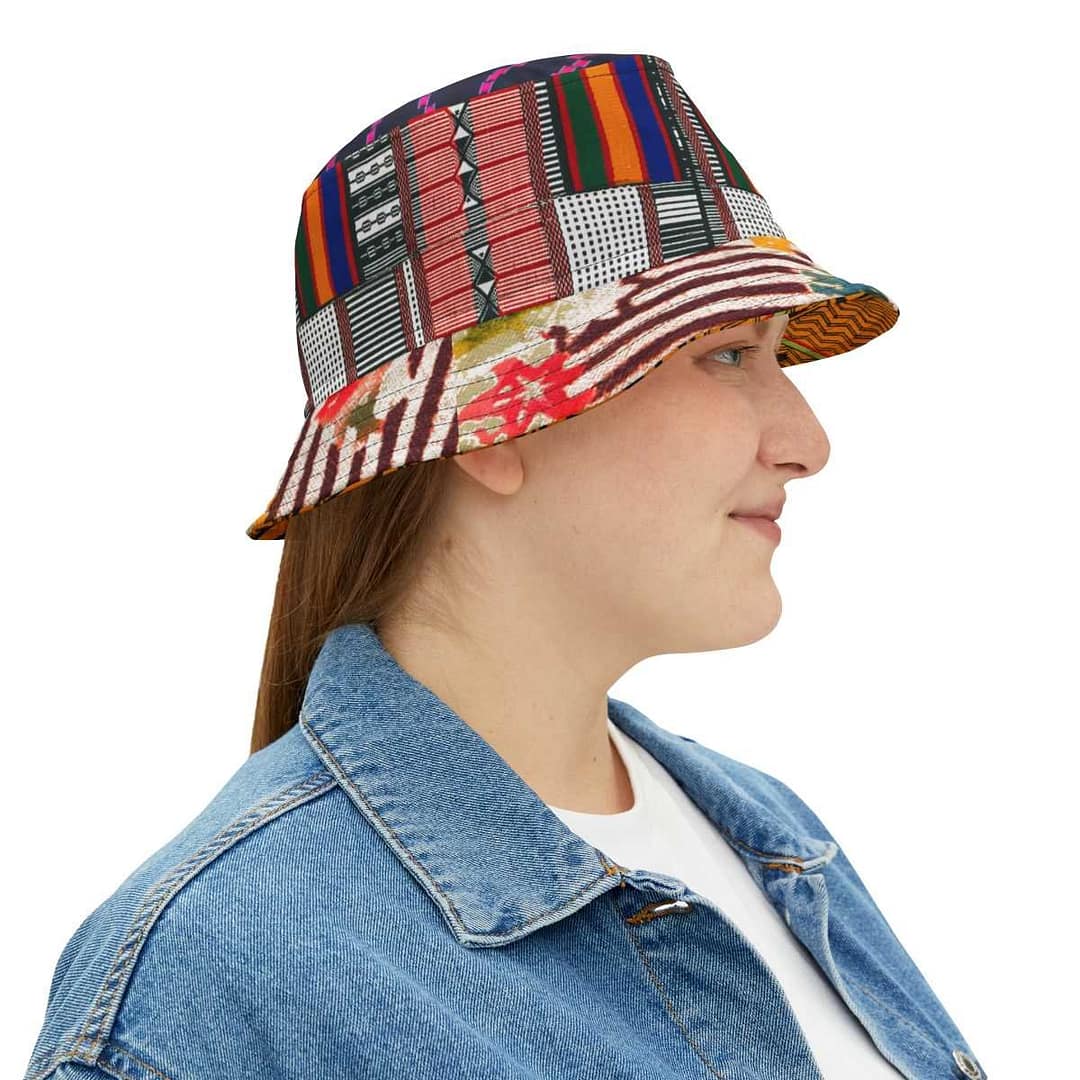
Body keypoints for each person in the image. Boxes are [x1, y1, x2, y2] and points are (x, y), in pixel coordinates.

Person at [23, 52, 989, 1080]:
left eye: (776, 354)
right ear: (492, 417)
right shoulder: (212, 974)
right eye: (728, 354)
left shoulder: (775, 839)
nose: (808, 443)